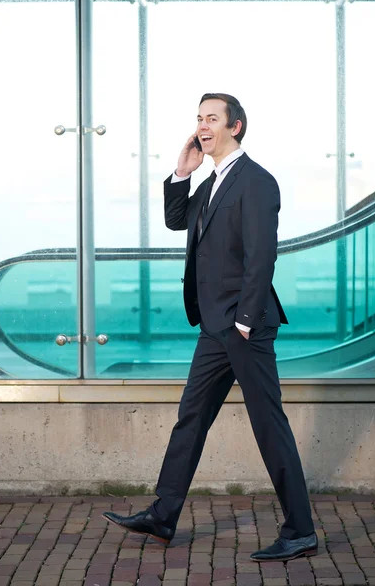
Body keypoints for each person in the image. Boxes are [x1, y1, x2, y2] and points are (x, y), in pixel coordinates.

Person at [103, 93, 317, 562]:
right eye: (199, 118)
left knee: (269, 427)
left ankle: (300, 530)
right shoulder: (211, 181)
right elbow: (177, 220)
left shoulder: (256, 182)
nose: (203, 126)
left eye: (212, 119)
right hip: (214, 326)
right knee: (192, 418)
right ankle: (163, 516)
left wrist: (243, 318)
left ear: (235, 127)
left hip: (244, 326)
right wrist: (183, 171)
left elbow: (262, 256)